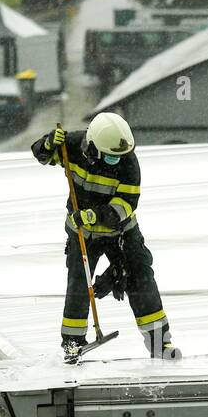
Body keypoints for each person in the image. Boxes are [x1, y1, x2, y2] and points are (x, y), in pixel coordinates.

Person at [31, 112, 179, 363]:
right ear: (93, 147)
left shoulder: (128, 164)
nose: (116, 160)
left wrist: (93, 216)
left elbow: (125, 206)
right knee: (79, 284)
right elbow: (44, 155)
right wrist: (48, 143)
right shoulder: (74, 146)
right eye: (111, 156)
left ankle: (159, 342)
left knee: (141, 276)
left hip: (121, 232)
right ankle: (72, 343)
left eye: (119, 156)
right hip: (82, 232)